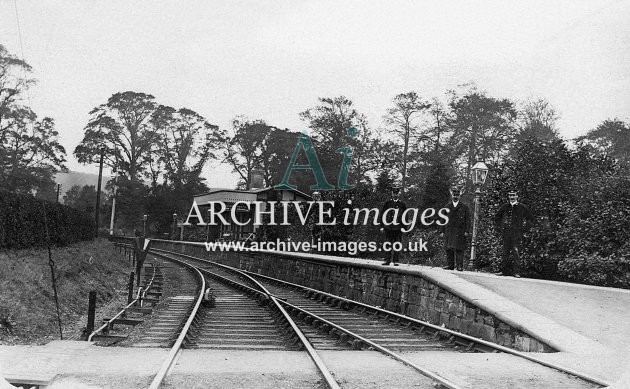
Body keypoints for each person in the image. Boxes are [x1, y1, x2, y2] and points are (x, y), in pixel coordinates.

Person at [493, 190, 534, 277]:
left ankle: (516, 272)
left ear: (517, 196)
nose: (512, 197)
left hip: (517, 234)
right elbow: (497, 218)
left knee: (516, 252)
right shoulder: (504, 207)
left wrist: (524, 229)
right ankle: (504, 271)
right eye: (510, 195)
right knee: (505, 252)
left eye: (513, 195)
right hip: (506, 233)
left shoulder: (522, 207)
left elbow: (530, 219)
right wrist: (500, 228)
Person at [441, 186, 470, 271]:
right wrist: (442, 231)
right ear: (452, 196)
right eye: (454, 195)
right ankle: (450, 265)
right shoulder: (447, 207)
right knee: (449, 248)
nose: (455, 196)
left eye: (457, 195)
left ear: (459, 196)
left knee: (459, 248)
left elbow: (467, 220)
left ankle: (459, 266)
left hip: (460, 230)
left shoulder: (464, 207)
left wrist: (467, 230)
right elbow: (442, 220)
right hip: (449, 230)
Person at [380, 185, 407, 266]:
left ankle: (396, 260)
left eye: (397, 193)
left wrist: (404, 227)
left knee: (397, 244)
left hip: (398, 228)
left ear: (399, 194)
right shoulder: (388, 203)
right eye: (394, 193)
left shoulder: (402, 204)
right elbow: (382, 215)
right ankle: (387, 260)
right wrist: (382, 226)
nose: (395, 194)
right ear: (392, 194)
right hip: (388, 227)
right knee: (388, 243)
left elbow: (405, 216)